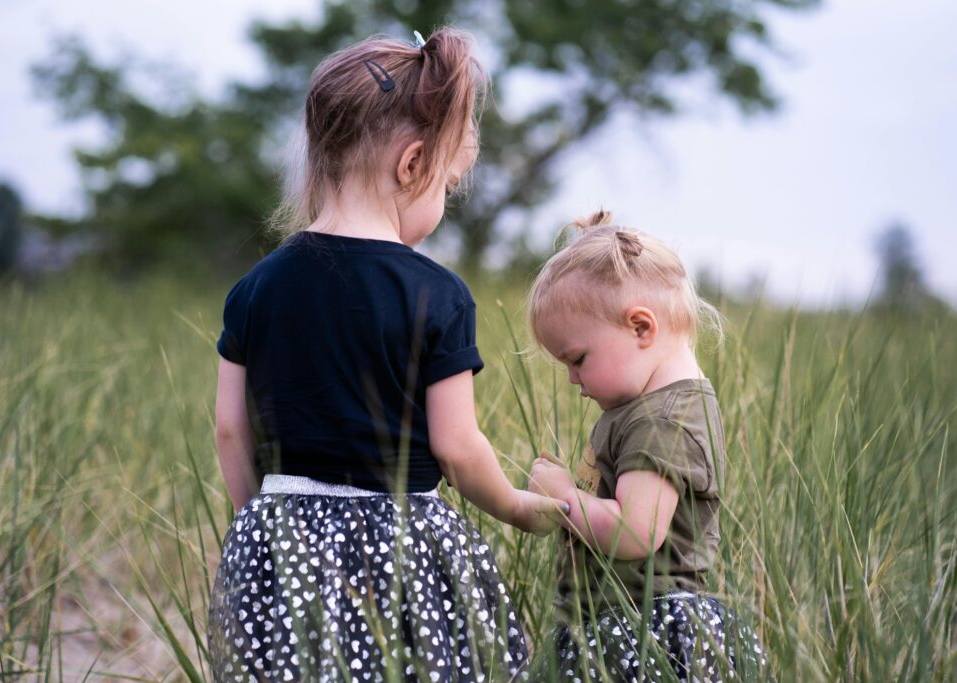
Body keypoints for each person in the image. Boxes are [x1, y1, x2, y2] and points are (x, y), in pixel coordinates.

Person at [207, 27, 567, 682]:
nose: (443, 203)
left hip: (280, 528)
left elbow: (231, 428)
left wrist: (259, 526)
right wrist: (515, 505)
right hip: (401, 542)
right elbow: (457, 447)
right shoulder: (439, 294)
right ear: (411, 164)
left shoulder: (254, 288)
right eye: (448, 185)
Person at [526, 211, 764, 682]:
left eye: (577, 359)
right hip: (616, 624)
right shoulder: (643, 407)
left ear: (641, 328)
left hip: (645, 632)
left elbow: (637, 531)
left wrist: (565, 500)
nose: (573, 378)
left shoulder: (664, 418)